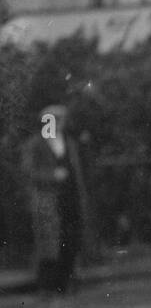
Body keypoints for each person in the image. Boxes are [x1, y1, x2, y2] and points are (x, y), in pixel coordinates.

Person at [22, 103, 91, 294]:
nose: (57, 124)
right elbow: (29, 172)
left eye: (60, 120)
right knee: (49, 243)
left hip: (69, 198)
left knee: (70, 239)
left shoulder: (68, 142)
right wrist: (52, 175)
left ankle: (66, 282)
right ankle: (47, 286)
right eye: (53, 120)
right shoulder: (35, 144)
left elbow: (76, 171)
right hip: (47, 199)